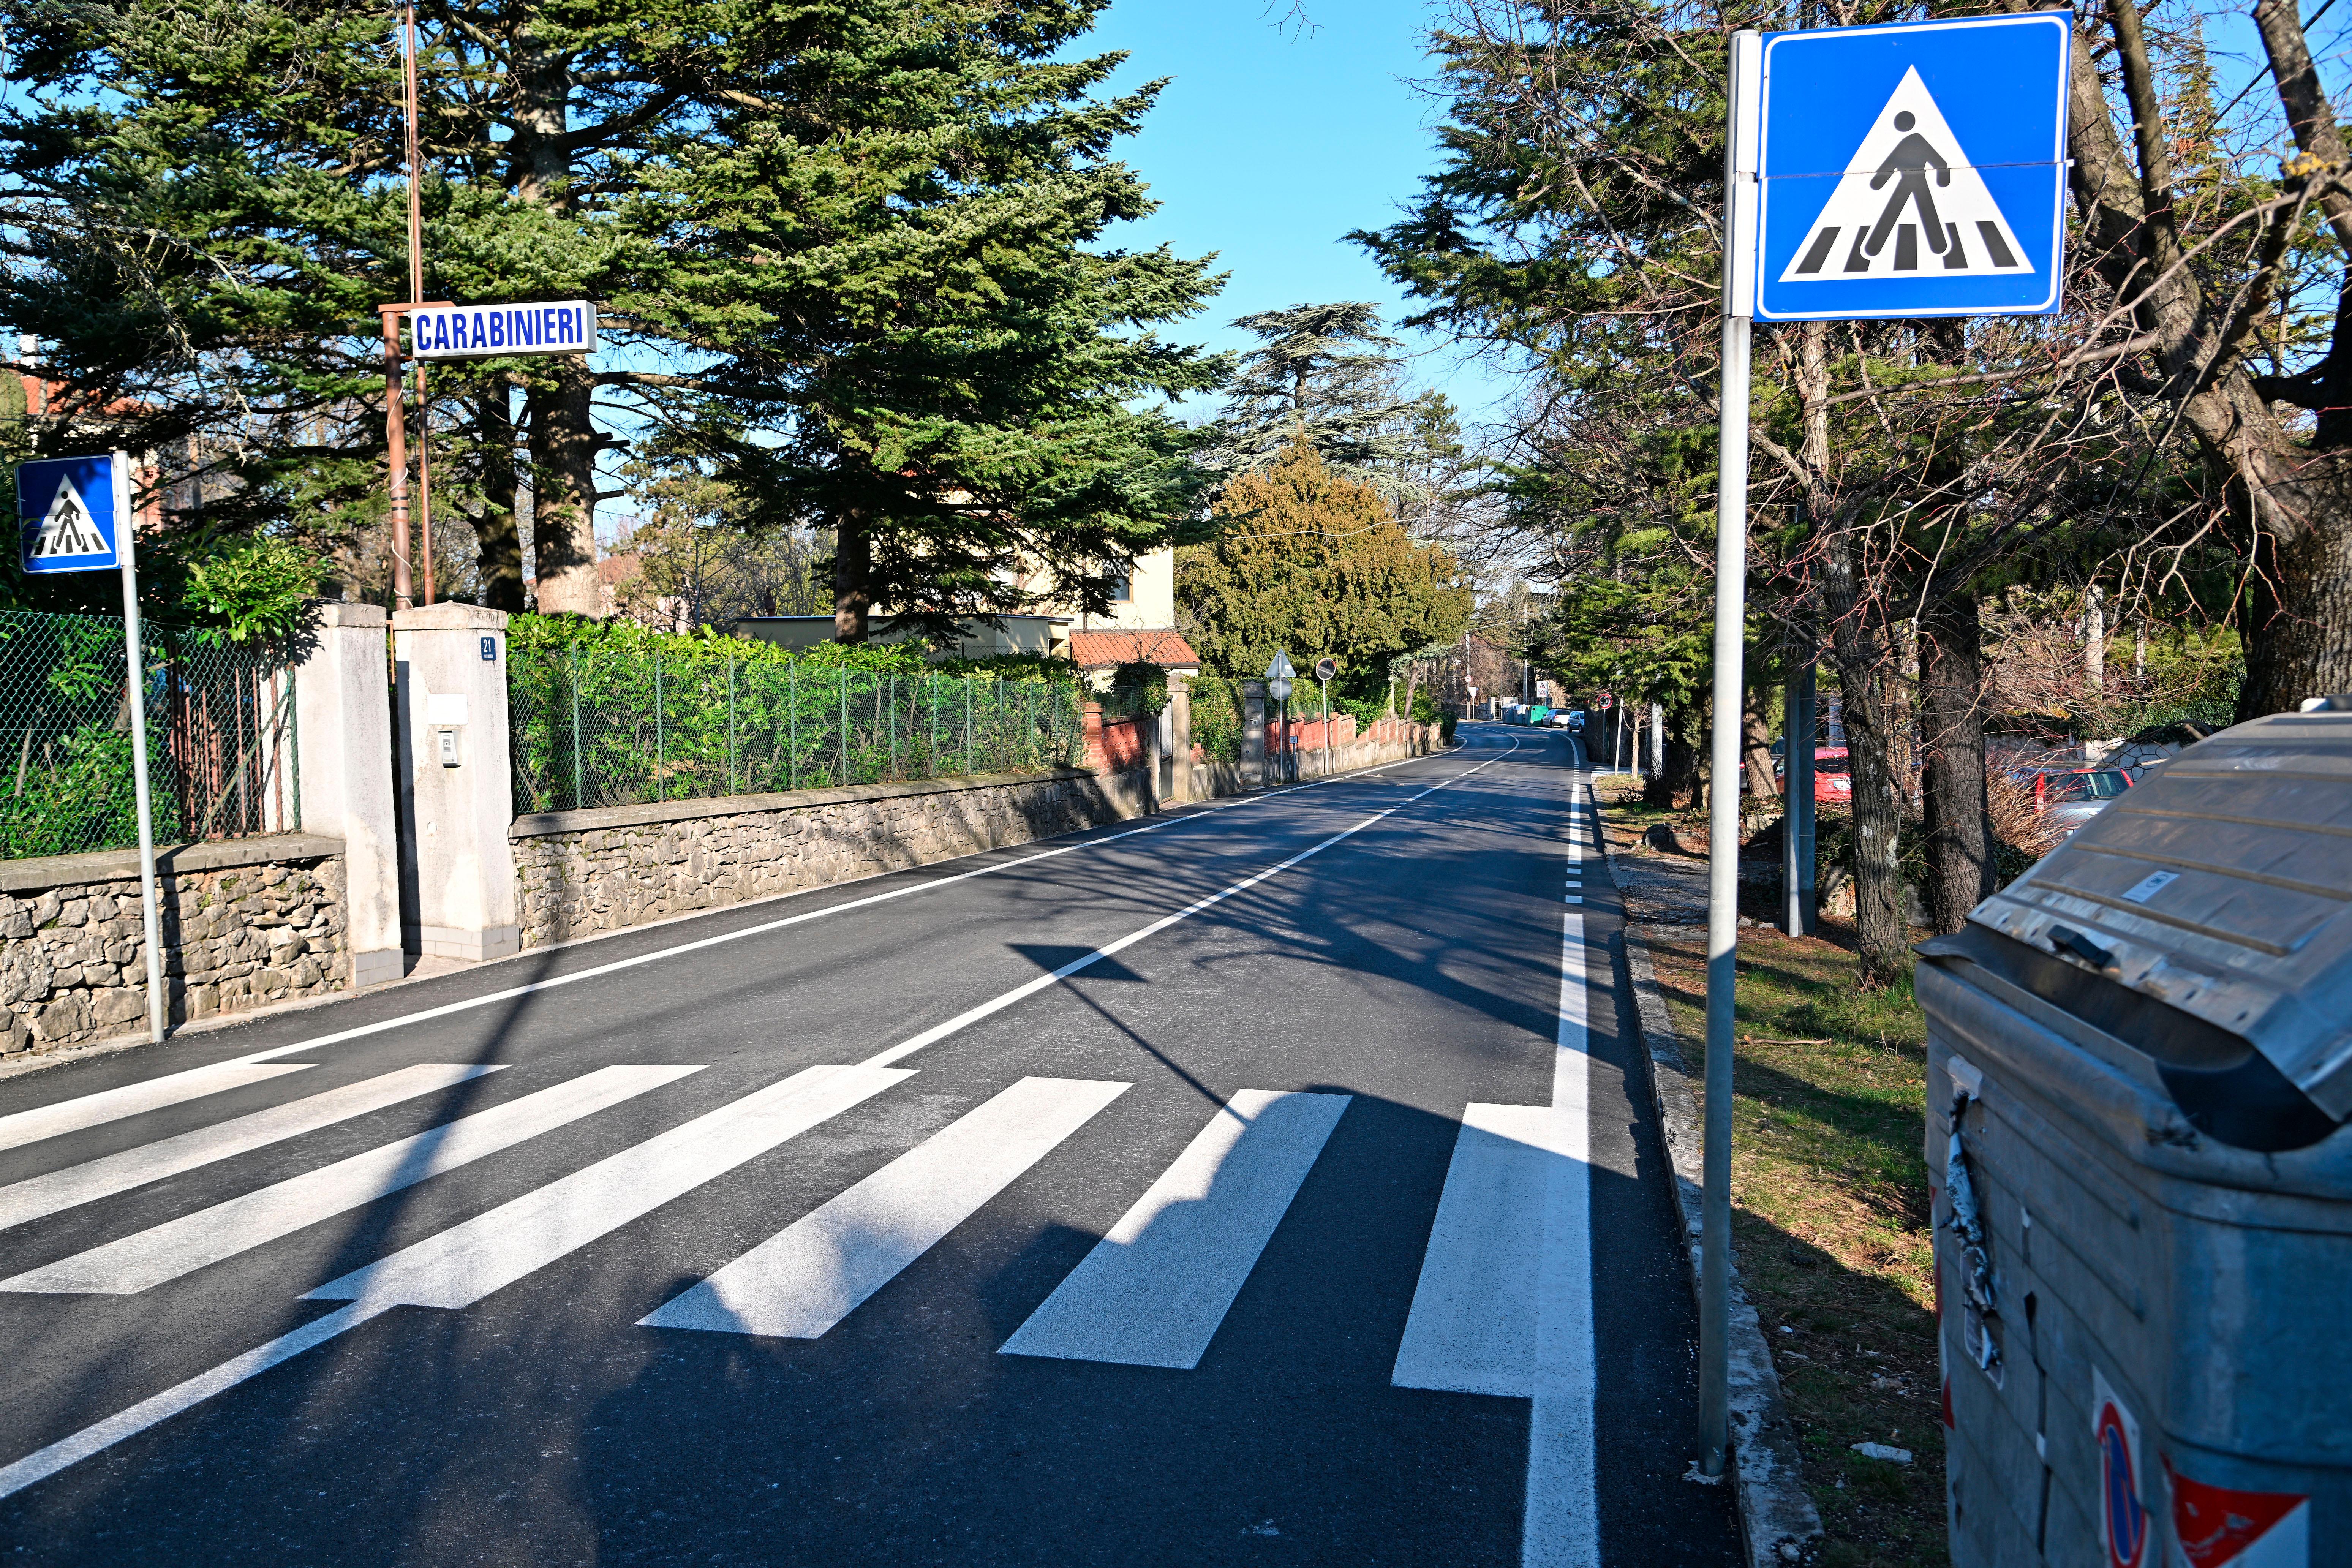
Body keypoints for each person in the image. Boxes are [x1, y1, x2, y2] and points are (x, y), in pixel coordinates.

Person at [1864, 111, 1952, 259]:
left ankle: (1874, 246)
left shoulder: (1914, 141)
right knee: (1918, 210)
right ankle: (1939, 245)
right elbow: (1939, 162)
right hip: (1912, 181)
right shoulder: (1914, 141)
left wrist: (1879, 181)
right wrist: (1943, 178)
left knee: (1897, 210)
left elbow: (1891, 163)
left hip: (1913, 181)